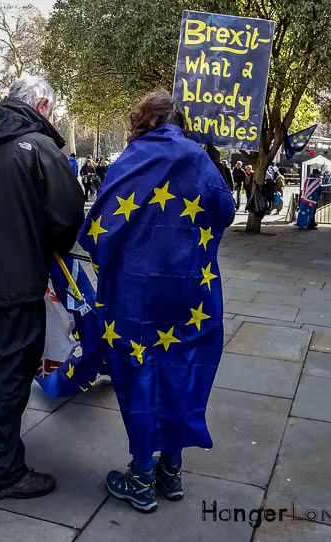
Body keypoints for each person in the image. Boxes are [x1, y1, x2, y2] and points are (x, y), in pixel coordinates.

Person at [80, 91, 235, 513]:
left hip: (135, 295)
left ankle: (142, 476)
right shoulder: (199, 158)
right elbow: (226, 210)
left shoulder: (131, 159)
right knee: (180, 369)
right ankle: (172, 469)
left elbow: (98, 225)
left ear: (141, 120)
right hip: (190, 290)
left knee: (138, 372)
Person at [0, 75, 85, 502]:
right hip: (15, 284)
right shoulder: (40, 148)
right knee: (6, 376)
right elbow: (66, 219)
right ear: (42, 106)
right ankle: (2, 472)